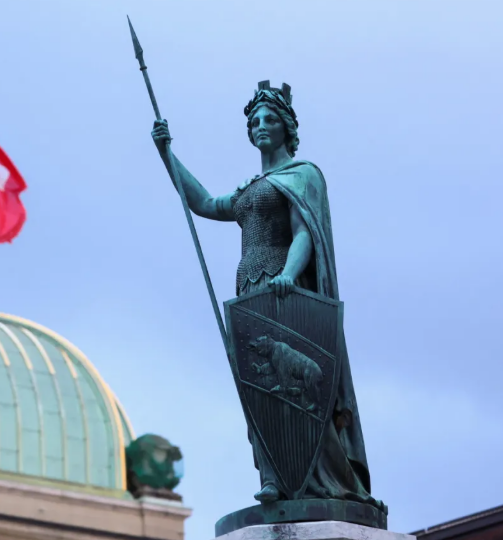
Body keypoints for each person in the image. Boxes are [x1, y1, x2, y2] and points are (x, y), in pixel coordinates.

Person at [151, 81, 383, 511]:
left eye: (271, 119)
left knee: (298, 389)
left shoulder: (302, 175)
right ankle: (273, 475)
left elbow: (303, 234)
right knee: (258, 387)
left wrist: (290, 275)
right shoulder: (249, 187)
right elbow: (202, 202)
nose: (261, 125)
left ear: (287, 127)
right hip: (248, 290)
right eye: (255, 120)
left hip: (282, 289)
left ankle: (322, 476)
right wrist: (168, 154)